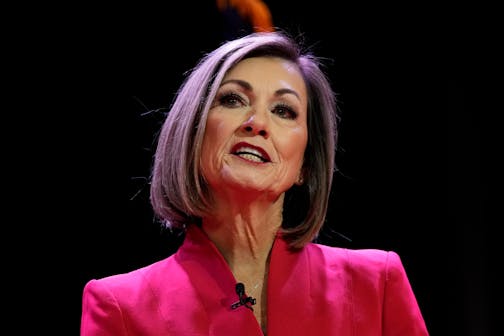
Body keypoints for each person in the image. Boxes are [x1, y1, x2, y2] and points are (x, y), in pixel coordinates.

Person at [80, 31, 429, 335]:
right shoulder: (118, 307)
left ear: (305, 164)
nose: (256, 122)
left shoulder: (376, 285)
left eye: (283, 111)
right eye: (233, 100)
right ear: (194, 135)